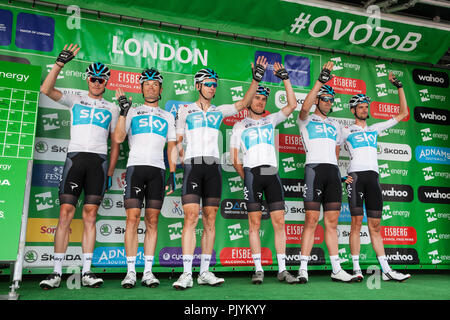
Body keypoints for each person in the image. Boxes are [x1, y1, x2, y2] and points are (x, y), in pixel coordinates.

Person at [172, 56, 268, 290]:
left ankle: (204, 271)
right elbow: (178, 141)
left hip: (213, 167)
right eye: (207, 83)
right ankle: (186, 273)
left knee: (210, 219)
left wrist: (256, 78)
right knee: (191, 217)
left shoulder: (219, 110)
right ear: (197, 86)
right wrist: (177, 166)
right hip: (194, 166)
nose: (211, 87)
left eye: (214, 84)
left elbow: (245, 102)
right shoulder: (185, 110)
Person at [39, 44, 120, 289]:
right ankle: (55, 272)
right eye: (93, 79)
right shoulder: (76, 100)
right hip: (75, 161)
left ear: (106, 83)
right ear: (88, 80)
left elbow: (116, 142)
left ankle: (86, 271)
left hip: (98, 163)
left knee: (90, 216)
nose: (96, 83)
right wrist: (59, 64)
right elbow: (46, 89)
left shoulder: (113, 108)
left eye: (101, 80)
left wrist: (110, 171)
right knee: (65, 214)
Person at [230, 63, 299, 285]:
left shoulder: (271, 120)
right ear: (250, 100)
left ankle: (282, 269)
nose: (260, 102)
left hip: (272, 172)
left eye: (263, 99)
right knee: (255, 224)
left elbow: (292, 105)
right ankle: (258, 269)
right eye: (257, 98)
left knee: (280, 222)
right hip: (252, 173)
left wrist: (285, 78)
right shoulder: (239, 125)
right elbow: (234, 159)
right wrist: (248, 179)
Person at [341, 72, 411, 282]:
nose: (364, 109)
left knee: (375, 226)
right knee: (355, 224)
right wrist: (340, 175)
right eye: (361, 107)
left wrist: (398, 87)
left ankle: (387, 270)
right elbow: (328, 149)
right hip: (355, 177)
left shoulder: (374, 128)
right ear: (353, 110)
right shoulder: (345, 130)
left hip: (373, 179)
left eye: (366, 106)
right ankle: (355, 268)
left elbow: (403, 113)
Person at [112, 68, 177, 288]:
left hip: (157, 170)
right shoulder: (131, 111)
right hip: (135, 169)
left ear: (160, 89)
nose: (150, 86)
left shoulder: (168, 115)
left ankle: (148, 272)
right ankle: (130, 272)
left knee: (152, 220)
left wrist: (173, 173)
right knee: (132, 219)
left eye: (155, 84)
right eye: (146, 83)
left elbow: (171, 148)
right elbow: (119, 138)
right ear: (141, 88)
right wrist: (123, 112)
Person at [296, 61, 356, 284]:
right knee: (311, 220)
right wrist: (320, 81)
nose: (329, 103)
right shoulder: (306, 119)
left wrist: (337, 172)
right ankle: (303, 269)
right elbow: (304, 107)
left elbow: (337, 151)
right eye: (325, 99)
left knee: (332, 223)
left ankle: (336, 269)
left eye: (331, 100)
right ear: (318, 101)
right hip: (313, 169)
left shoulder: (336, 125)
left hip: (332, 173)